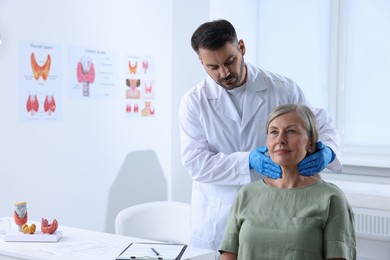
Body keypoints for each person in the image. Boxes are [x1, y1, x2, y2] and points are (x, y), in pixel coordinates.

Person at [178, 19, 342, 252]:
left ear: (241, 48)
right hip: (218, 217)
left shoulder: (282, 88)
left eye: (229, 61)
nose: (224, 73)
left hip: (273, 213)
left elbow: (321, 123)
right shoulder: (194, 102)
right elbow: (195, 162)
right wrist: (248, 161)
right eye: (212, 67)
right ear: (201, 62)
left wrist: (329, 151)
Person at [219, 104, 356, 260]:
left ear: (310, 143)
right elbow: (229, 256)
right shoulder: (246, 194)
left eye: (291, 131)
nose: (280, 140)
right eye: (273, 132)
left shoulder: (331, 198)